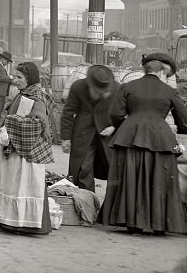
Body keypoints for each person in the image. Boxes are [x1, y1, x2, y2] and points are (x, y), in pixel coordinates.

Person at [98, 52, 187, 235]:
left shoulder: (128, 86)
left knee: (130, 178)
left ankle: (133, 224)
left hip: (129, 136)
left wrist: (126, 126)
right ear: (161, 72)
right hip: (160, 138)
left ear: (143, 70)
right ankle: (159, 226)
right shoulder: (170, 91)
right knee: (159, 180)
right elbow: (183, 120)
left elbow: (115, 113)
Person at [0, 61, 54, 234]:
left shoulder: (36, 97)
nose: (15, 80)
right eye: (14, 76)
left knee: (23, 185)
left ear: (29, 79)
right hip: (15, 146)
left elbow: (37, 124)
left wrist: (9, 123)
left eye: (19, 77)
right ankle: (7, 220)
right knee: (11, 184)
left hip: (26, 152)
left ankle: (22, 224)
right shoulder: (22, 93)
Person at [60, 64, 117, 191]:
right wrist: (66, 138)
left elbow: (124, 114)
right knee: (82, 169)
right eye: (97, 91)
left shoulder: (117, 89)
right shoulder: (78, 87)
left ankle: (110, 207)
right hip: (83, 134)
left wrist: (114, 127)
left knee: (114, 171)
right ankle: (87, 203)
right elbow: (68, 113)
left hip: (107, 136)